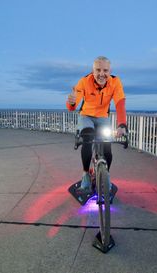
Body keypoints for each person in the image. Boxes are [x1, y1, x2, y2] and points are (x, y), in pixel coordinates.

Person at [66, 56, 127, 191]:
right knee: (88, 137)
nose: (101, 74)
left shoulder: (115, 82)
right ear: (92, 71)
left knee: (107, 147)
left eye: (105, 70)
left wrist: (122, 125)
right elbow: (73, 104)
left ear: (110, 71)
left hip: (103, 117)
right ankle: (85, 174)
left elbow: (120, 103)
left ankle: (106, 175)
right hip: (86, 116)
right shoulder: (84, 81)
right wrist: (71, 103)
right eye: (98, 70)